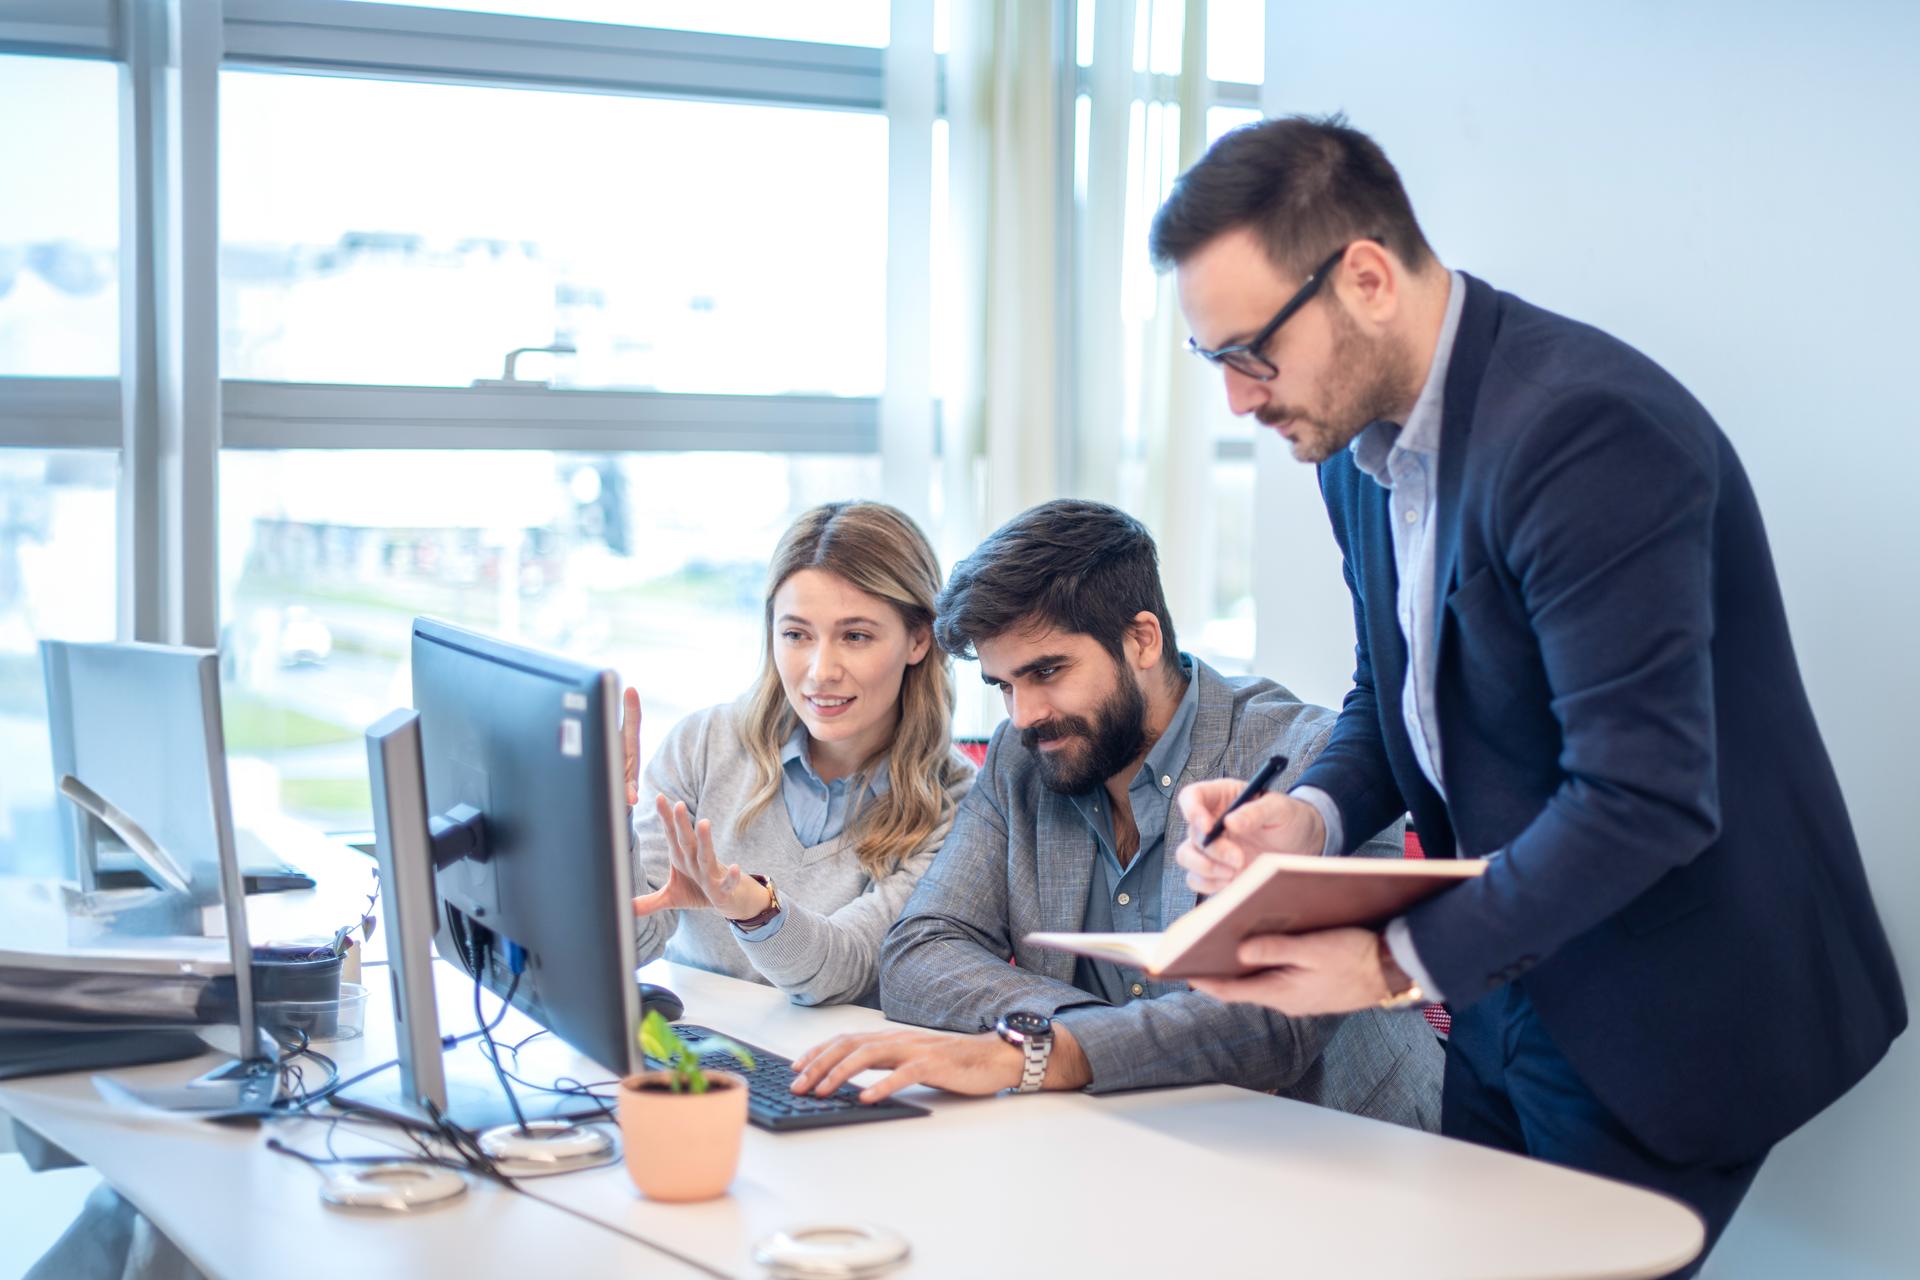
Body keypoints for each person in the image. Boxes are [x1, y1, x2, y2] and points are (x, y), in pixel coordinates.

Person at [1150, 114, 1905, 1268]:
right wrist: (1307, 817)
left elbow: (1644, 796)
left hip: (1669, 998)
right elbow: (1390, 690)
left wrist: (1390, 962)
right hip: (1507, 988)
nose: (1242, 403)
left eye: (1252, 353)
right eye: (1219, 364)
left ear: (1363, 276)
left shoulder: (1585, 432)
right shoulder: (1356, 444)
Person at [788, 500, 1441, 1128]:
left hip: (1349, 1155)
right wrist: (1094, 1036)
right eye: (1004, 685)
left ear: (1142, 640)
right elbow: (920, 954)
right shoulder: (1025, 759)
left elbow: (1271, 1025)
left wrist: (1053, 1051)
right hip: (1119, 1140)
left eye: (1047, 671)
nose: (1023, 715)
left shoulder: (1306, 762)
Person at [625, 500, 975, 1006]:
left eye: (855, 636)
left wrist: (751, 907)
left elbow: (844, 970)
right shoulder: (701, 746)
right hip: (693, 1058)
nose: (819, 671)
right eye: (796, 635)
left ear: (919, 638)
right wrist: (608, 826)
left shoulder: (955, 803)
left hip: (826, 1068)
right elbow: (634, 945)